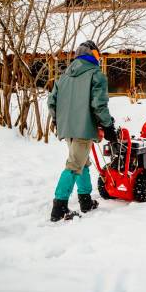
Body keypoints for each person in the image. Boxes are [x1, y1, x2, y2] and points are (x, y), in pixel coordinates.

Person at [47, 40, 118, 222]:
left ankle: (85, 201)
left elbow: (51, 102)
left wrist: (58, 120)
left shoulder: (63, 76)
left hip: (67, 128)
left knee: (83, 162)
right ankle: (59, 207)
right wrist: (108, 126)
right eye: (98, 56)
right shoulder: (96, 75)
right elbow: (99, 105)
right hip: (83, 128)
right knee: (74, 165)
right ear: (94, 56)